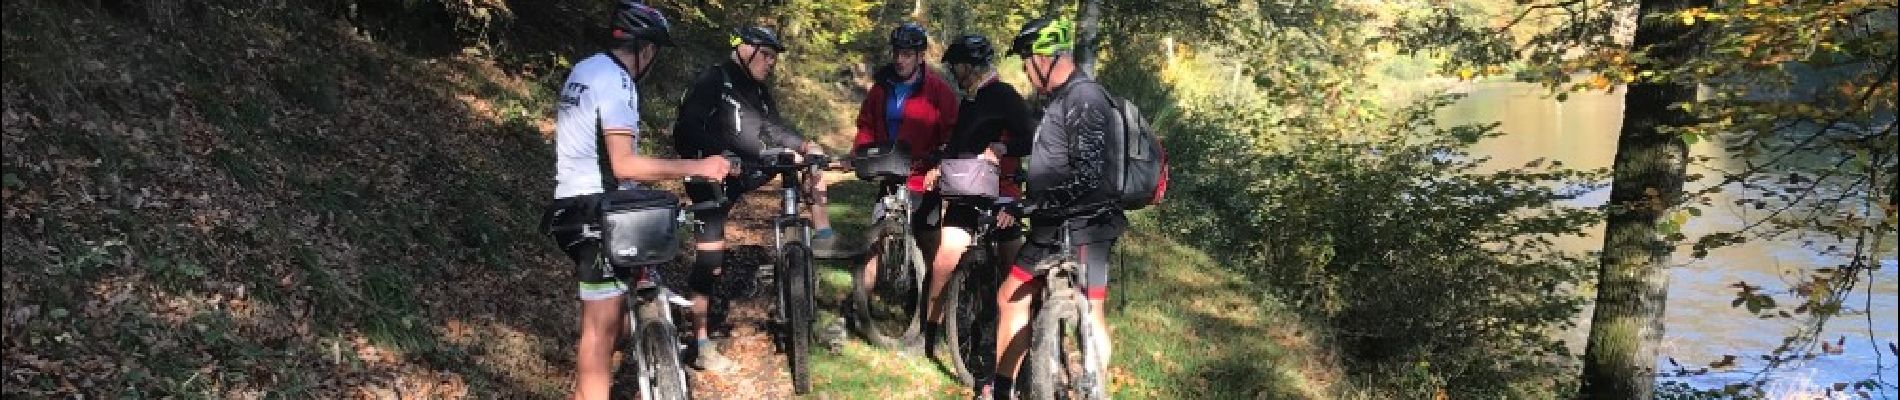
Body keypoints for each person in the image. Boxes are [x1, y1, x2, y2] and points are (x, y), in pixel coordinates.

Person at [540, 3, 730, 399]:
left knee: (611, 322)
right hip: (598, 211)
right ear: (646, 50)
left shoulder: (586, 68)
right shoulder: (618, 81)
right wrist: (697, 166)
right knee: (599, 330)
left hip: (572, 206)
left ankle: (641, 335)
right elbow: (624, 165)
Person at [980, 17, 1129, 399]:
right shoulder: (1063, 99)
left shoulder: (1085, 98)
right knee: (1012, 294)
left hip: (1086, 225)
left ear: (1044, 57)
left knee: (1090, 312)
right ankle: (1004, 388)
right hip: (1054, 223)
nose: (1026, 72)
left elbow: (1089, 176)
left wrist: (1030, 203)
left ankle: (1091, 390)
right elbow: (1058, 157)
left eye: (1027, 62)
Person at [670, 25, 832, 372]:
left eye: (775, 56)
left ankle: (815, 241)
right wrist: (718, 157)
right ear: (746, 49)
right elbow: (685, 130)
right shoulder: (714, 80)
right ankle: (700, 343)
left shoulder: (758, 91)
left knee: (806, 162)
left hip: (746, 168)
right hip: (709, 174)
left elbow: (774, 129)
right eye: (768, 54)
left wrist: (805, 146)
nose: (772, 62)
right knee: (710, 261)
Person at [849, 21, 962, 353]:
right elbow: (866, 126)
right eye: (897, 53)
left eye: (907, 54)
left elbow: (952, 131)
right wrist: (863, 152)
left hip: (923, 179)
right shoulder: (880, 89)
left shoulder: (938, 90)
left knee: (930, 251)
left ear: (920, 56)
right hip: (889, 175)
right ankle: (859, 310)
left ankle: (933, 324)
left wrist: (940, 161)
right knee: (873, 244)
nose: (900, 60)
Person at [923, 33, 1032, 363]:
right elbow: (960, 146)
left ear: (969, 67)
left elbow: (1027, 141)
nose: (953, 73)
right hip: (966, 192)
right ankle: (931, 337)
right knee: (944, 260)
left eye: (956, 66)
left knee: (1013, 272)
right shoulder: (970, 100)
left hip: (1002, 194)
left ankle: (1021, 344)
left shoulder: (1005, 95)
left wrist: (1002, 148)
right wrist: (941, 166)